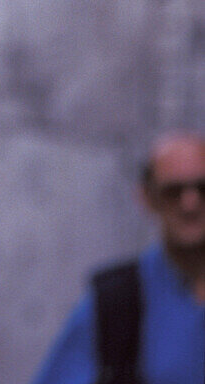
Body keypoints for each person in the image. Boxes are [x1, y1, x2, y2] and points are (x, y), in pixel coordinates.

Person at [30, 130, 205, 384]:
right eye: (173, 192)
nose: (190, 204)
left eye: (202, 188)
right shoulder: (117, 303)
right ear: (147, 197)